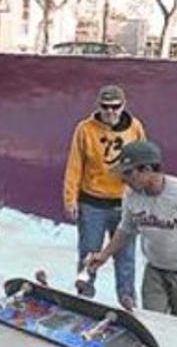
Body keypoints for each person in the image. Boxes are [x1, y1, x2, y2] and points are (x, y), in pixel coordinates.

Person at [86, 140, 177, 319]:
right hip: (155, 271)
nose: (123, 179)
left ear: (147, 170)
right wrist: (104, 255)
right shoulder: (131, 195)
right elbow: (126, 229)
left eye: (128, 172)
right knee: (153, 322)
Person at [62, 84, 147, 309]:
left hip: (124, 203)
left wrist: (144, 197)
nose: (110, 112)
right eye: (105, 107)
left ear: (123, 106)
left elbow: (144, 161)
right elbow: (74, 165)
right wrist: (70, 199)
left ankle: (127, 298)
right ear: (98, 106)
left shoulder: (135, 127)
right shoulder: (85, 129)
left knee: (125, 255)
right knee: (89, 251)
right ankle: (85, 293)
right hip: (92, 202)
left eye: (115, 107)